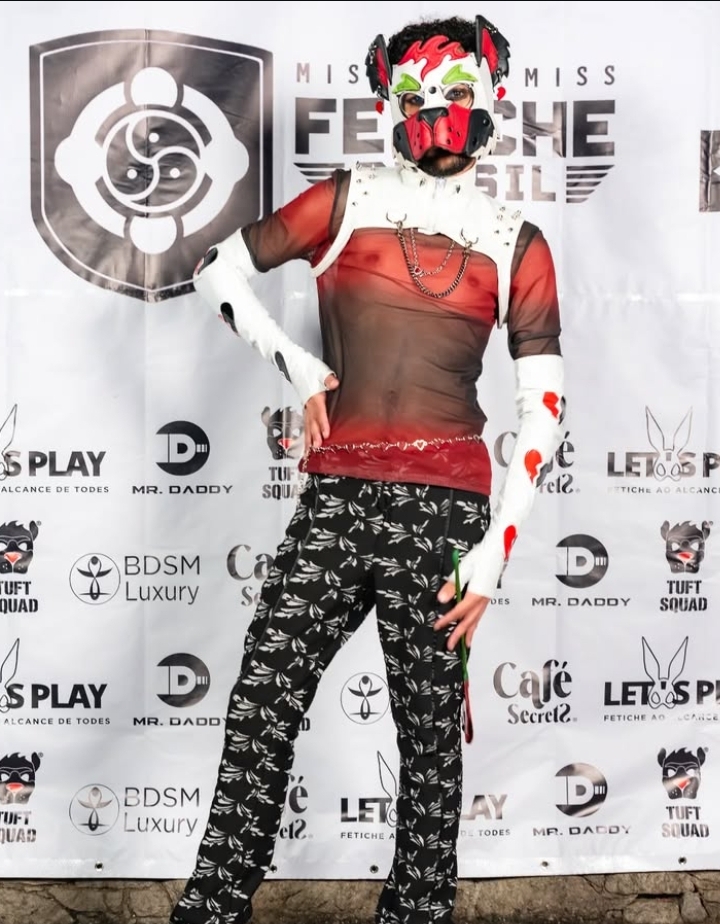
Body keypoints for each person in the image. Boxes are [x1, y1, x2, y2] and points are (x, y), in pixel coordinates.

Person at [170, 12, 564, 924]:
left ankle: (417, 911)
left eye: (456, 93)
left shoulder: (515, 237)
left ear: (492, 93)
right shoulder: (346, 200)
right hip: (338, 498)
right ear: (390, 100)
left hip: (447, 511)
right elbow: (216, 269)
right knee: (261, 702)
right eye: (417, 97)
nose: (438, 113)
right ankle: (213, 905)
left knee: (429, 739)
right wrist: (298, 366)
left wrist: (496, 555)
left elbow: (544, 402)